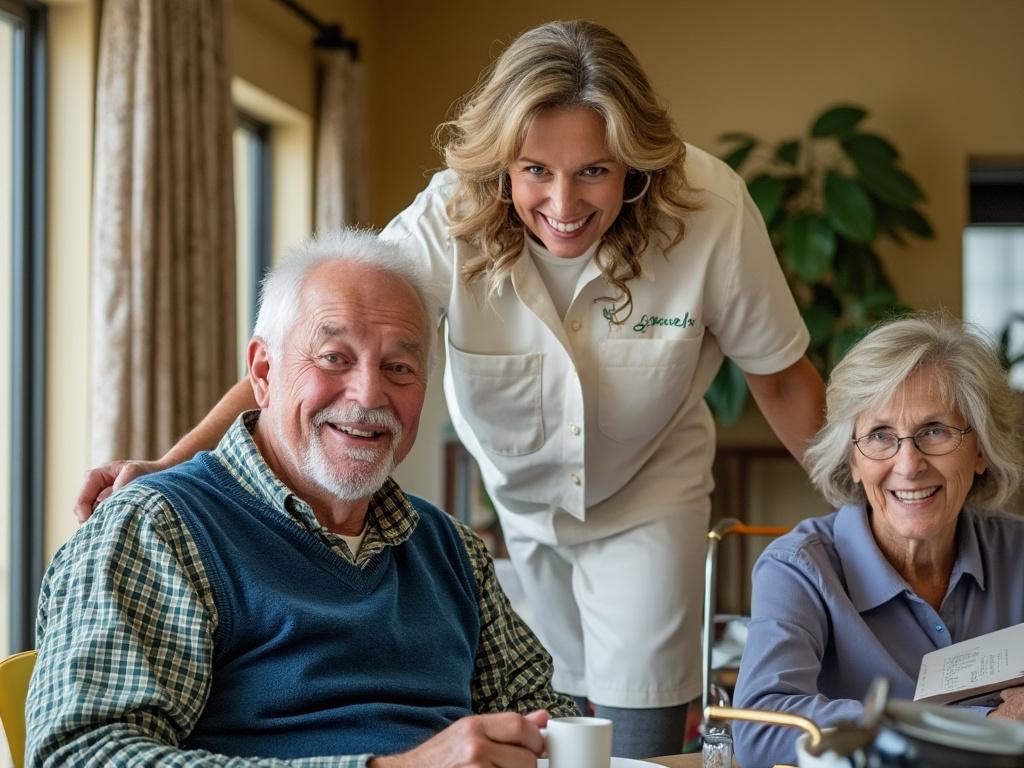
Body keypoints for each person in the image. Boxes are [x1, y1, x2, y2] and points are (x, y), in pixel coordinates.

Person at [73, 20, 825, 757]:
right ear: (502, 163)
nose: (563, 204)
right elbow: (317, 356)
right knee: (543, 722)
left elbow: (784, 379)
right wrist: (173, 465)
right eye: (535, 169)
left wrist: (873, 514)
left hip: (648, 491)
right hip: (517, 503)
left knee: (634, 733)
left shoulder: (709, 211)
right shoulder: (448, 217)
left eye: (593, 170)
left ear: (636, 163)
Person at [29, 229, 576, 767]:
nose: (368, 394)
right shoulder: (156, 530)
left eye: (399, 368)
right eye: (335, 358)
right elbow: (84, 754)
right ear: (263, 372)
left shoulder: (452, 551)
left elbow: (551, 728)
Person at [732, 313, 1024, 768]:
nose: (908, 465)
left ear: (982, 448)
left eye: (934, 431)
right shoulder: (798, 568)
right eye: (880, 435)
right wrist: (977, 726)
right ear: (852, 459)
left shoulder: (1018, 553)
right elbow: (761, 728)